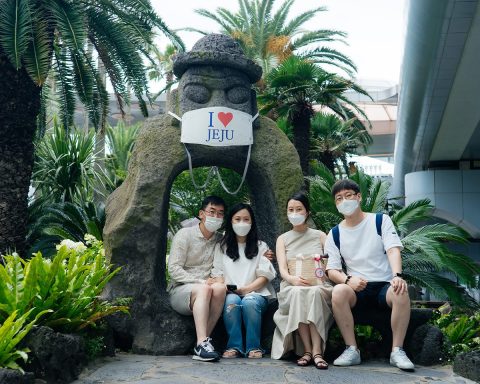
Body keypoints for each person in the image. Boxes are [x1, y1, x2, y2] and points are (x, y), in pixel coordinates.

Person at [325, 179, 415, 371]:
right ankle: (351, 349)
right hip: (356, 287)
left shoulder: (380, 220)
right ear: (336, 204)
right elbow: (331, 270)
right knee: (339, 291)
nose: (344, 201)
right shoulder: (334, 234)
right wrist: (348, 280)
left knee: (400, 290)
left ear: (359, 197)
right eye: (339, 198)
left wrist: (397, 275)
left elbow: (392, 249)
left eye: (348, 196)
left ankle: (397, 351)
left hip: (384, 285)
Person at [271, 192, 334, 369]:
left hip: (319, 285)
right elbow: (282, 270)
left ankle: (317, 351)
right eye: (291, 209)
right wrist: (293, 279)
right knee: (299, 294)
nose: (294, 213)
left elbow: (331, 264)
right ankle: (307, 350)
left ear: (307, 212)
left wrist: (320, 275)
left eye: (299, 209)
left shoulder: (320, 235)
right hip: (292, 285)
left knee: (313, 293)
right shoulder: (282, 239)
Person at [211, 203, 276, 359]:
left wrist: (246, 290)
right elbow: (217, 271)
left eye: (246, 219)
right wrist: (225, 286)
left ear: (252, 222)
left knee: (249, 302)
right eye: (237, 219)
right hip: (230, 292)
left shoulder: (261, 247)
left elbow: (264, 275)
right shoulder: (222, 246)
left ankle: (254, 346)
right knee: (231, 301)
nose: (242, 223)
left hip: (257, 293)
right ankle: (234, 346)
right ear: (231, 222)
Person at [167, 195, 227, 362]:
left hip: (207, 288)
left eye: (220, 214)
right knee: (205, 288)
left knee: (220, 288)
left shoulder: (220, 240)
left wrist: (262, 252)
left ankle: (202, 344)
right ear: (202, 213)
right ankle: (202, 343)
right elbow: (173, 269)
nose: (216, 217)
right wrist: (201, 281)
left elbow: (218, 269)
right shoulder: (184, 234)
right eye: (212, 212)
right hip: (181, 290)